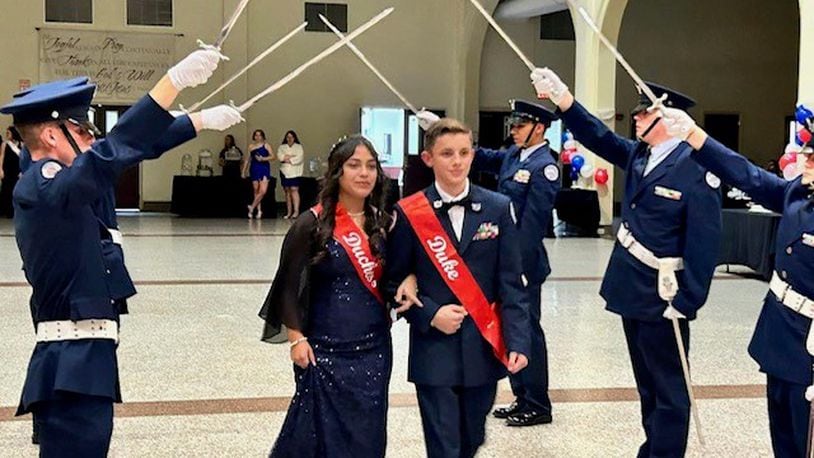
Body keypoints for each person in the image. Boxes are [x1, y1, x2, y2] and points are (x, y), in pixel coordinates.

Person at [1, 45, 240, 456]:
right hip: (70, 361)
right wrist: (171, 84)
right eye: (83, 130)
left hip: (85, 357)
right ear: (53, 134)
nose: (93, 139)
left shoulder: (61, 185)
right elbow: (110, 156)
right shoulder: (41, 184)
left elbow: (130, 150)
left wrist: (197, 122)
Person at [533, 68, 722, 457]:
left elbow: (705, 243)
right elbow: (597, 137)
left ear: (667, 117)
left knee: (669, 388)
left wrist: (689, 301)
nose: (635, 117)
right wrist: (563, 99)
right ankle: (653, 446)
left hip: (665, 295)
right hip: (632, 288)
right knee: (646, 382)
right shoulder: (641, 154)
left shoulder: (697, 166)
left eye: (643, 112)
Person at [660, 103, 814, 457]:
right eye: (806, 151)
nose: (805, 159)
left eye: (813, 156)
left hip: (810, 345)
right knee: (785, 434)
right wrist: (694, 136)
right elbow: (747, 175)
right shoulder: (798, 193)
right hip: (781, 335)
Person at [259, 135, 418, 457]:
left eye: (371, 166)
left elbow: (400, 272)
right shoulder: (311, 224)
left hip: (374, 348)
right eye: (354, 165)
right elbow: (287, 287)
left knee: (367, 431)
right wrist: (295, 339)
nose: (364, 173)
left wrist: (410, 278)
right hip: (322, 349)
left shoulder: (385, 223)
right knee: (314, 434)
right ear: (337, 172)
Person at [386, 118, 531, 458]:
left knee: (471, 439)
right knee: (444, 447)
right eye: (447, 153)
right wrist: (431, 313)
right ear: (428, 158)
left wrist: (519, 340)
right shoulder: (409, 212)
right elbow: (392, 280)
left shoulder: (497, 207)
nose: (457, 161)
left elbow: (511, 282)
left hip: (483, 345)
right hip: (433, 349)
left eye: (464, 152)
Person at [244, 129, 274, 219]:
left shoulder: (266, 145)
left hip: (264, 168)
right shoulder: (251, 146)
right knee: (256, 190)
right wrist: (243, 171)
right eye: (256, 135)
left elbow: (273, 156)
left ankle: (252, 207)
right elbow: (247, 159)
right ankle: (259, 211)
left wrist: (263, 159)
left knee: (263, 190)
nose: (258, 137)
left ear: (262, 136)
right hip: (254, 168)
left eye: (259, 135)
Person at [278, 130, 304, 219]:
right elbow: (280, 157)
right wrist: (290, 157)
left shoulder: (298, 147)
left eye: (291, 137)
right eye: (288, 137)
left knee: (294, 189)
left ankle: (296, 211)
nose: (289, 139)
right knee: (287, 191)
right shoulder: (282, 147)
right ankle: (289, 212)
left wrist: (288, 158)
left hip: (295, 171)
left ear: (294, 138)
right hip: (284, 171)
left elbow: (299, 158)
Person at [0, 125, 23, 217]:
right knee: (6, 190)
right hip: (7, 170)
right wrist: (0, 169)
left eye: (8, 133)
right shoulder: (5, 144)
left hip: (17, 171)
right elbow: (1, 157)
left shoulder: (21, 144)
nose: (7, 134)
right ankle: (6, 210)